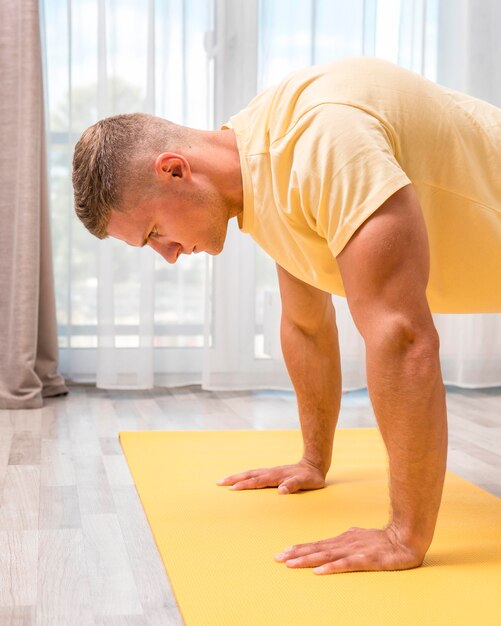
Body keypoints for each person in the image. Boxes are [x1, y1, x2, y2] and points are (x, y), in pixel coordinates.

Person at [72, 56, 501, 575]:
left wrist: (404, 536)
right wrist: (312, 462)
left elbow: (403, 337)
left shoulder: (321, 139)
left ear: (173, 169)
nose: (165, 254)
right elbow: (307, 323)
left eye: (152, 233)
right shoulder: (261, 173)